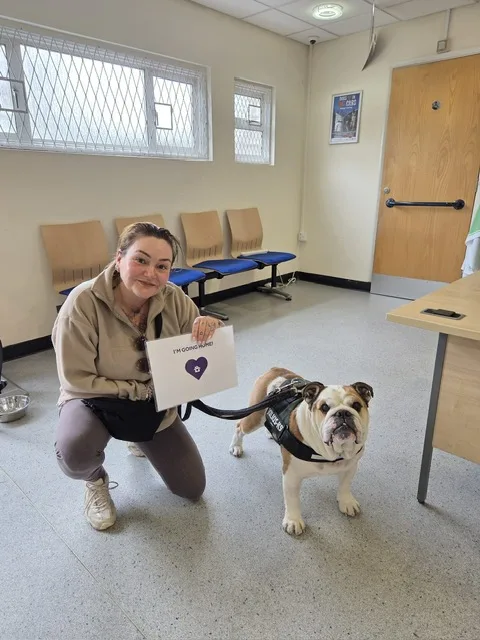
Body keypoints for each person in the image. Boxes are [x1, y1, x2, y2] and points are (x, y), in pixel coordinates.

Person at [52, 222, 224, 531]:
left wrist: (211, 330)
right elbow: (76, 380)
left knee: (191, 489)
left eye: (162, 266)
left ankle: (137, 438)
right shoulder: (81, 303)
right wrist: (140, 391)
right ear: (119, 259)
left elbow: (201, 352)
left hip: (151, 403)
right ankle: (95, 480)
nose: (150, 273)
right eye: (140, 260)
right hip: (95, 399)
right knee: (74, 450)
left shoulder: (174, 298)